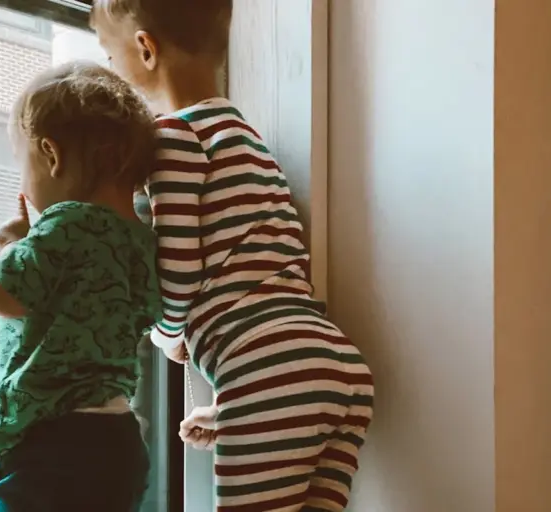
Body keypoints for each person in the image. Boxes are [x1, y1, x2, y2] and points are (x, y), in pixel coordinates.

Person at [91, 1, 375, 510]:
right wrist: (231, 410)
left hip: (267, 367)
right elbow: (255, 278)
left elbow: (180, 271)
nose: (114, 72)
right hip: (335, 365)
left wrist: (167, 334)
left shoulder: (174, 138)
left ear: (145, 49)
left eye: (109, 58)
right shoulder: (245, 138)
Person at [0, 61, 162, 512]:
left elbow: (7, 296)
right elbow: (151, 311)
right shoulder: (142, 240)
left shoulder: (65, 224)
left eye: (22, 166)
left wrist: (9, 244)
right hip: (119, 441)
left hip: (53, 440)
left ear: (51, 155)